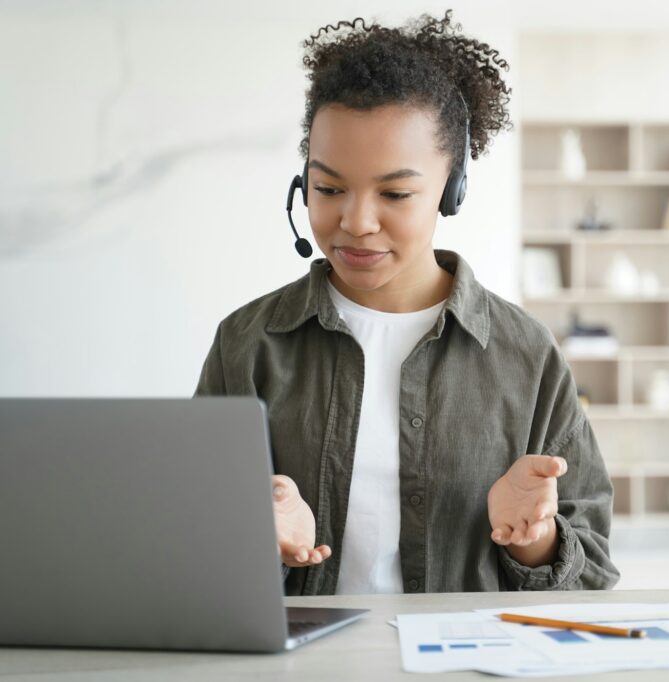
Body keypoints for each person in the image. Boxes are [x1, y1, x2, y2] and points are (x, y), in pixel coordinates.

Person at [193, 9, 619, 595]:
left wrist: (533, 537)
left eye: (395, 192)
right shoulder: (247, 343)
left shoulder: (526, 354)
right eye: (328, 188)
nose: (355, 221)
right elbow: (188, 552)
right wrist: (253, 536)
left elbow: (592, 570)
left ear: (452, 189)